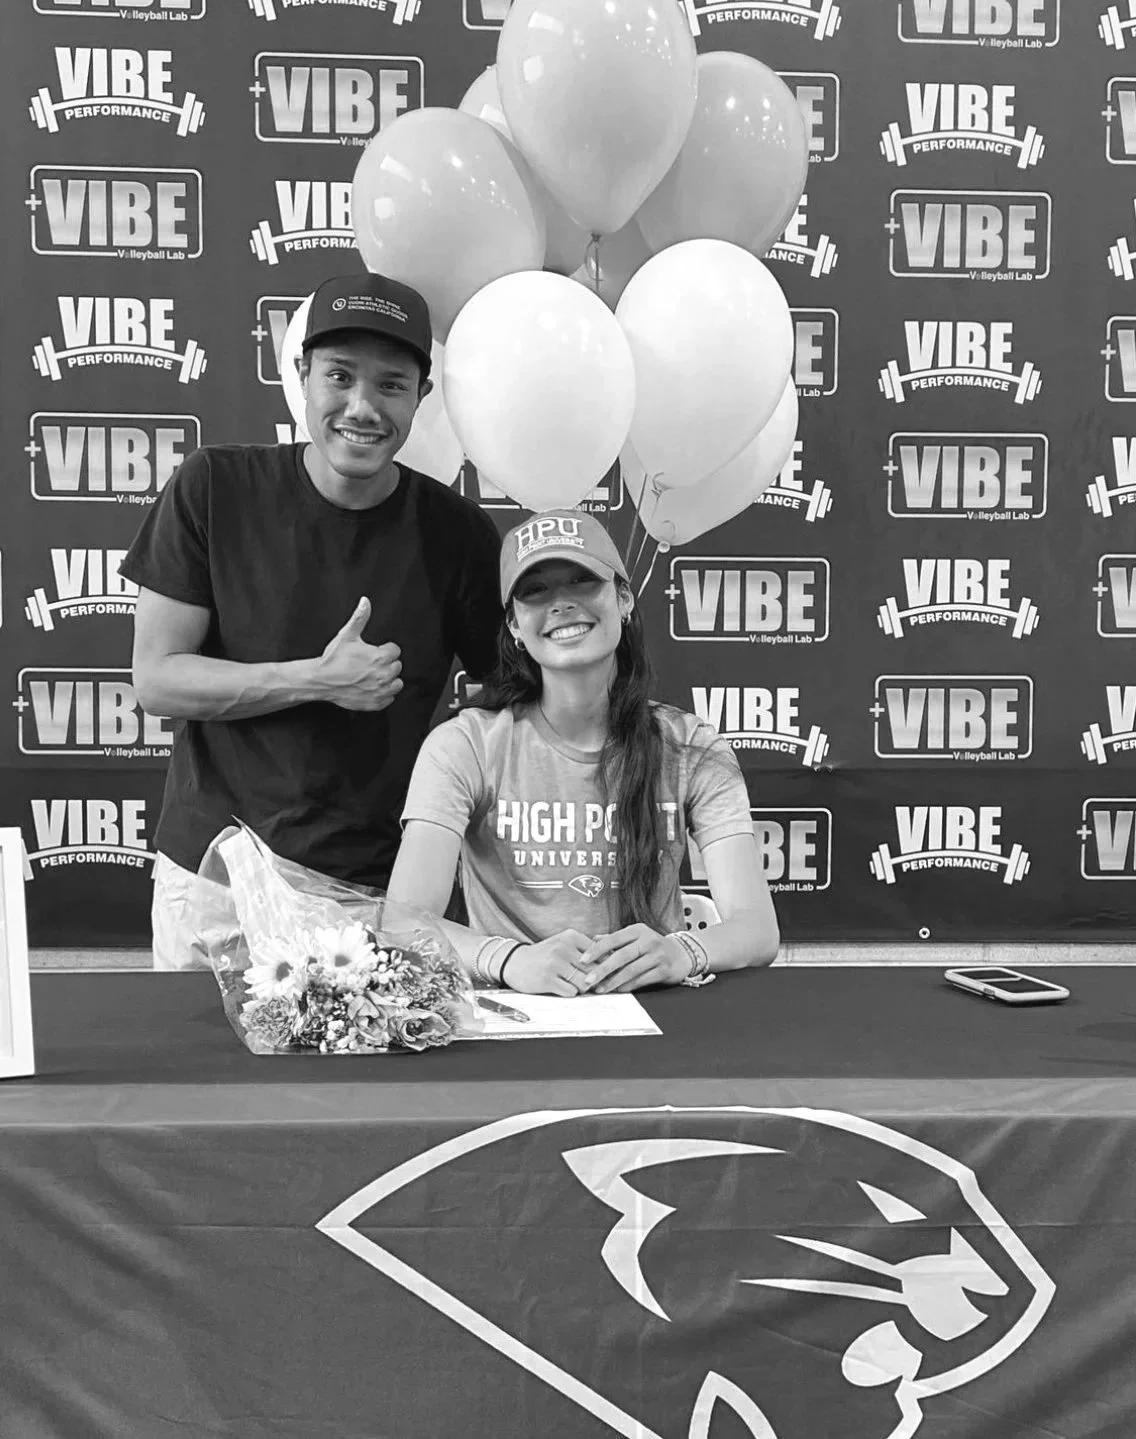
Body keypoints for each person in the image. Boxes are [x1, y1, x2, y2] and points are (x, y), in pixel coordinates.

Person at [121, 272, 502, 969]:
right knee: (189, 1049)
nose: (362, 407)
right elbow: (158, 680)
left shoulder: (458, 535)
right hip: (215, 882)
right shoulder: (213, 487)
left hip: (374, 892)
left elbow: (514, 697)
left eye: (391, 385)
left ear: (421, 397)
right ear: (302, 376)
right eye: (340, 376)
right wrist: (318, 679)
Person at [387, 510, 779, 995]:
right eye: (536, 590)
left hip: (657, 1011)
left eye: (582, 580)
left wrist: (680, 952)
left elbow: (756, 929)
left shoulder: (691, 745)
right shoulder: (465, 744)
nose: (562, 604)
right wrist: (511, 960)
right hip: (516, 1010)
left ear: (623, 598)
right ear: (514, 625)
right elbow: (403, 922)